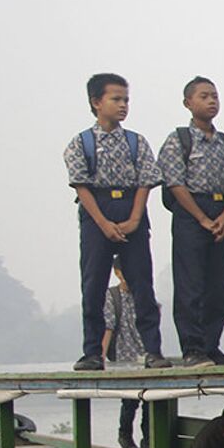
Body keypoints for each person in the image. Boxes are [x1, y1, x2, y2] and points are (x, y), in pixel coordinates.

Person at [67, 73, 169, 371]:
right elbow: (81, 186)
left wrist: (135, 218)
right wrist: (103, 223)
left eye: (126, 99)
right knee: (94, 284)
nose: (123, 105)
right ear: (96, 102)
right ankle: (92, 352)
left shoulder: (136, 143)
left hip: (131, 208)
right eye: (116, 99)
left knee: (141, 283)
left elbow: (146, 183)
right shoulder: (80, 143)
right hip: (96, 212)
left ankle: (153, 350)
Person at [159, 76, 224, 366]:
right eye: (204, 96)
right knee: (190, 283)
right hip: (191, 213)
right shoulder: (179, 140)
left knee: (218, 286)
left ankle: (211, 344)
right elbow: (176, 184)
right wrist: (202, 219)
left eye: (214, 95)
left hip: (221, 211)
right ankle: (192, 347)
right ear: (188, 103)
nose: (212, 101)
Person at [101, 264, 151, 448]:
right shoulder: (112, 296)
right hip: (123, 357)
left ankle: (148, 440)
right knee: (130, 400)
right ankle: (125, 436)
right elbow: (108, 326)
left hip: (144, 355)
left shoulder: (142, 293)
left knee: (150, 399)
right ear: (117, 272)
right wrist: (101, 357)